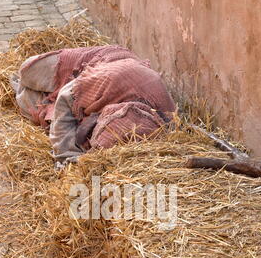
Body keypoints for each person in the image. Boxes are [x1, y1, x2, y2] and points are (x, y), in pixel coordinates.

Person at [11, 45, 175, 167]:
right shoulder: (109, 79)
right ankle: (26, 85)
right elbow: (66, 95)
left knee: (29, 102)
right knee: (26, 72)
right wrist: (65, 154)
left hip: (93, 101)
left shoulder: (159, 120)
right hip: (91, 65)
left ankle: (28, 93)